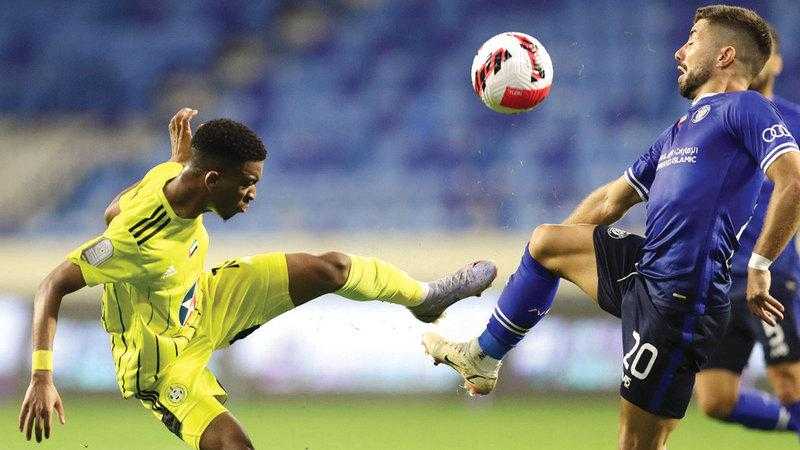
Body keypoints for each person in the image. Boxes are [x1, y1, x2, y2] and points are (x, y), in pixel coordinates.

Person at [422, 5, 800, 449]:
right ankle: (483, 357)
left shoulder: (746, 108)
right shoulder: (681, 129)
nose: (679, 51)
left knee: (636, 445)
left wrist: (760, 264)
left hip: (682, 297)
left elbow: (792, 179)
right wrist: (536, 269)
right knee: (547, 242)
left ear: (724, 56)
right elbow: (610, 200)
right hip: (648, 270)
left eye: (693, 41)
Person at [17, 108, 497, 449]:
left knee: (329, 267)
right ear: (211, 181)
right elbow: (53, 284)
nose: (251, 195)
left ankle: (425, 299)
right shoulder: (136, 240)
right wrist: (41, 376)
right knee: (234, 446)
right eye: (247, 183)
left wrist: (175, 158)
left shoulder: (172, 173)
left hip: (206, 299)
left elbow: (112, 208)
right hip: (161, 363)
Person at [695, 25, 800, 435]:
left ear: (775, 61)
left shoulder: (794, 121)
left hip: (770, 277)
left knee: (789, 384)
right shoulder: (715, 120)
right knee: (716, 400)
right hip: (718, 280)